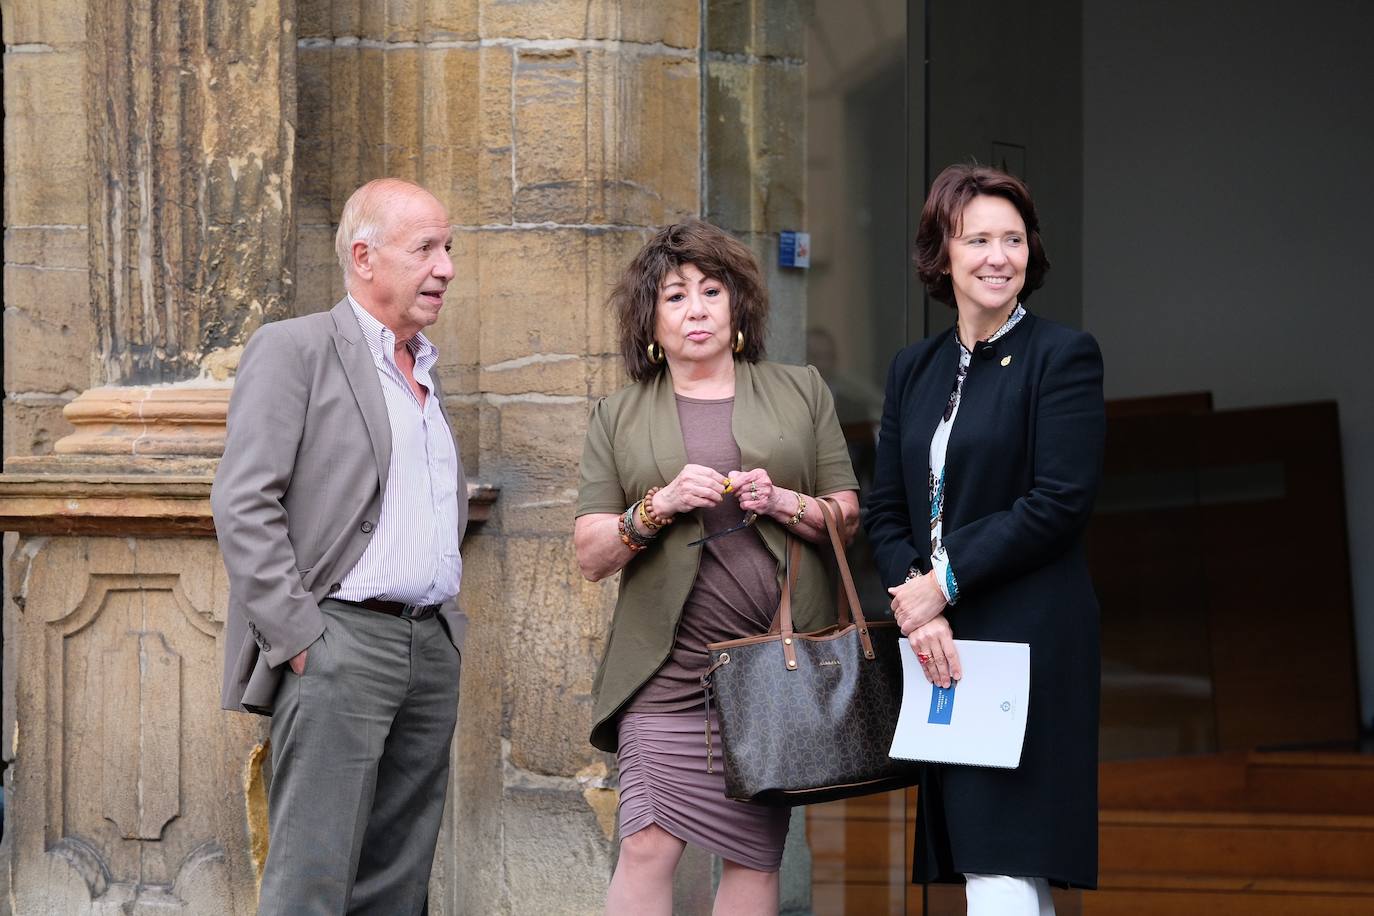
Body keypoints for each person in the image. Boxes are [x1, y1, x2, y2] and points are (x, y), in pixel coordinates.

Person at [575, 220, 861, 916]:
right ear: (651, 318)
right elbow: (591, 552)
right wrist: (658, 506)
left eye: (711, 290)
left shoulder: (800, 390)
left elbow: (848, 517)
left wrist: (787, 502)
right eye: (675, 296)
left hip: (775, 668)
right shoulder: (619, 414)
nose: (696, 309)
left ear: (738, 307)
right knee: (646, 846)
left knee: (754, 858)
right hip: (664, 672)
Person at [212, 178, 467, 915]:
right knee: (312, 878)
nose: (445, 266)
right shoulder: (296, 349)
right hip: (339, 643)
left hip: (428, 644)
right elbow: (242, 499)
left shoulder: (423, 368)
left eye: (448, 248)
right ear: (364, 257)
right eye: (425, 248)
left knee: (398, 881)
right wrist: (299, 637)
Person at [864, 164, 1105, 915]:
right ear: (942, 254)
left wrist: (948, 580)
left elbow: (1057, 503)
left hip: (1027, 639)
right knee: (989, 862)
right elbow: (885, 511)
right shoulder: (915, 368)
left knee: (1004, 856)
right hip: (940, 642)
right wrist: (922, 603)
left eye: (1014, 238)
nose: (999, 255)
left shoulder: (1062, 357)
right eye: (978, 239)